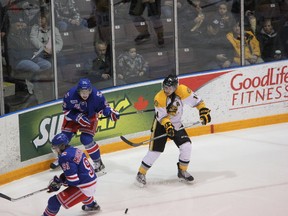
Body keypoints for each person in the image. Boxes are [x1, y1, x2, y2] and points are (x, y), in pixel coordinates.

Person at [135, 74, 211, 186]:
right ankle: (141, 173)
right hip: (161, 125)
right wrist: (167, 126)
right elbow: (162, 117)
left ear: (175, 87)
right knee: (155, 152)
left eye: (169, 88)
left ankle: (182, 171)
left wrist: (203, 111)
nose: (166, 90)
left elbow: (198, 102)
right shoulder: (159, 97)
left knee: (186, 146)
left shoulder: (183, 91)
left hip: (176, 124)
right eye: (164, 87)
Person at [50, 78, 120, 176]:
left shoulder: (97, 96)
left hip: (89, 118)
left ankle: (98, 163)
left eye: (87, 91)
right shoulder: (70, 95)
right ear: (78, 91)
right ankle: (61, 157)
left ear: (90, 90)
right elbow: (66, 111)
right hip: (73, 117)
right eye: (82, 92)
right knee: (65, 137)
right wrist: (77, 117)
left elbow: (104, 108)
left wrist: (110, 113)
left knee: (86, 139)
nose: (85, 94)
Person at [42, 133, 100, 216]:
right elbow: (76, 172)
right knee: (83, 192)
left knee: (53, 201)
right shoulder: (75, 150)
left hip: (85, 187)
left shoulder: (64, 157)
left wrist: (59, 184)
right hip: (91, 181)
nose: (55, 150)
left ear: (62, 146)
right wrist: (61, 180)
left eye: (56, 147)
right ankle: (92, 205)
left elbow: (73, 181)